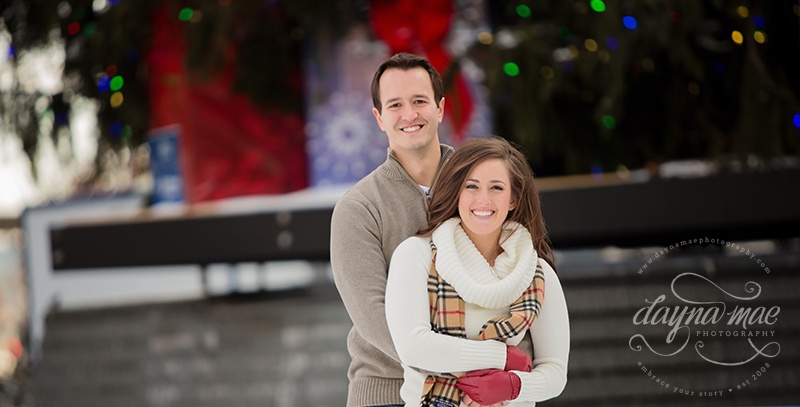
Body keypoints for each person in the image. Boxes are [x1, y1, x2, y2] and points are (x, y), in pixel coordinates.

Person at [330, 53, 533, 407]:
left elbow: (518, 277)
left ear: (440, 108)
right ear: (379, 118)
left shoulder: (482, 188)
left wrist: (513, 376)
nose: (409, 115)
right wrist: (470, 367)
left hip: (485, 395)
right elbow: (372, 318)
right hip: (390, 392)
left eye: (420, 101)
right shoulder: (358, 209)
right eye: (395, 105)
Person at [385, 137, 569, 407]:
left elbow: (555, 372)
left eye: (496, 188)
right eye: (471, 186)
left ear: (513, 200)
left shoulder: (536, 272)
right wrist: (503, 358)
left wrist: (512, 386)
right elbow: (413, 347)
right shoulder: (416, 255)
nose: (483, 199)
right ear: (456, 192)